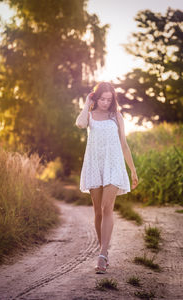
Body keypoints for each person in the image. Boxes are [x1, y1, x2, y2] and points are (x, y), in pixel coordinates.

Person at [75, 82, 139, 274]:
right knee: (97, 212)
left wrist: (133, 170)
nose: (105, 102)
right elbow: (80, 124)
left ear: (113, 100)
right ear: (96, 98)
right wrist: (87, 103)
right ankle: (103, 249)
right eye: (102, 99)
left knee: (106, 207)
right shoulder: (90, 115)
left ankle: (102, 254)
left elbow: (124, 145)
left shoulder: (116, 116)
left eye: (109, 99)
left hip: (113, 165)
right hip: (95, 164)